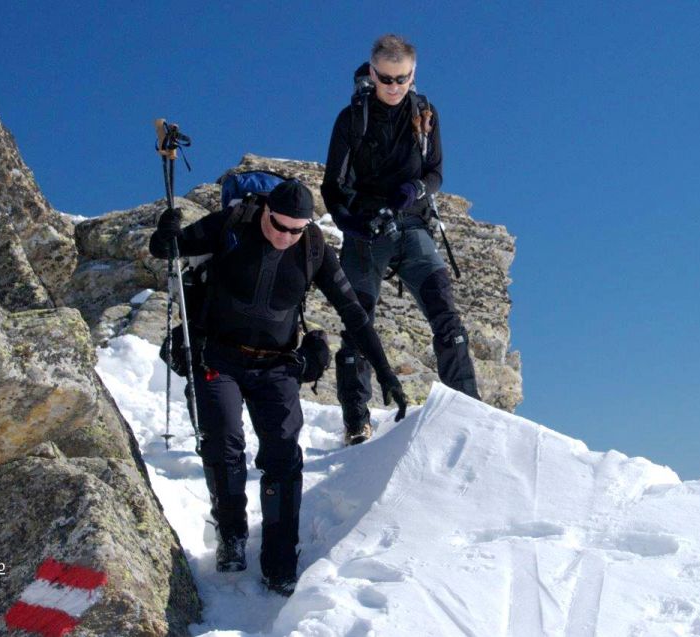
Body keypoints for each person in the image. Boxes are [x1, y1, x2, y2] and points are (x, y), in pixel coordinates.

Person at [148, 180, 407, 595]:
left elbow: (354, 314)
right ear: (266, 211)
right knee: (224, 440)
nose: (285, 237)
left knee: (284, 455)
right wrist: (166, 233)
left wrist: (385, 371)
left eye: (296, 229)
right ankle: (232, 534)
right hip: (220, 356)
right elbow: (168, 249)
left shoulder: (314, 247)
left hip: (277, 366)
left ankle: (281, 561)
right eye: (279, 226)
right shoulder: (233, 223)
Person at [321, 34, 480, 445]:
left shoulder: (425, 113)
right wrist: (352, 225)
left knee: (446, 312)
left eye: (402, 79)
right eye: (386, 79)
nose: (393, 87)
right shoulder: (351, 119)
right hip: (365, 232)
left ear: (413, 74)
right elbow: (332, 188)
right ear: (372, 73)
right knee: (358, 325)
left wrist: (414, 192)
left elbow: (436, 173)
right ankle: (356, 422)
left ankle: (469, 412)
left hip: (411, 225)